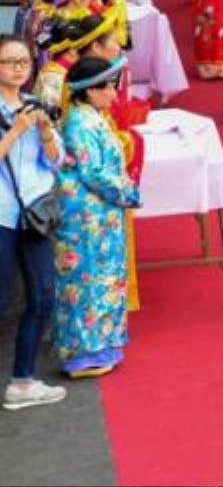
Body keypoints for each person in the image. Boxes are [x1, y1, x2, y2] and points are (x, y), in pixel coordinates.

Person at [54, 55, 141, 379]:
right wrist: (128, 192)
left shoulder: (90, 116)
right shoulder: (81, 122)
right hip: (86, 216)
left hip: (98, 214)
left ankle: (99, 345)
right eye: (109, 87)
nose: (114, 94)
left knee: (99, 278)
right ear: (91, 91)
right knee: (87, 281)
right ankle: (84, 351)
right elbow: (94, 172)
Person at [0, 36, 66, 410]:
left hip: (34, 214)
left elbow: (57, 161)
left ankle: (23, 380)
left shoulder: (35, 105)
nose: (18, 68)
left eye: (23, 61)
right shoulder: (12, 115)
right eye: (9, 62)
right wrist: (14, 131)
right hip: (3, 215)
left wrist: (43, 131)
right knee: (2, 299)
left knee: (42, 295)